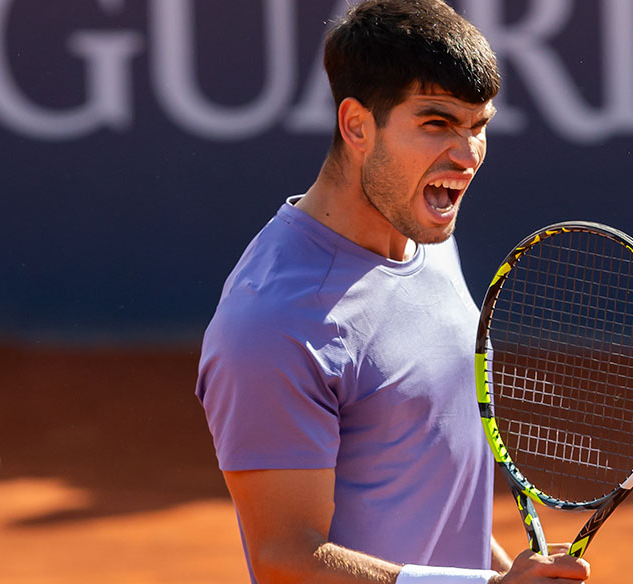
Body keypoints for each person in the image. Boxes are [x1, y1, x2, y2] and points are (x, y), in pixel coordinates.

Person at [195, 1, 591, 582]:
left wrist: (504, 572)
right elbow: (285, 557)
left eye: (478, 127)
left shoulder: (425, 235)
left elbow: (420, 490)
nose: (466, 156)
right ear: (357, 125)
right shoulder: (271, 324)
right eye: (436, 124)